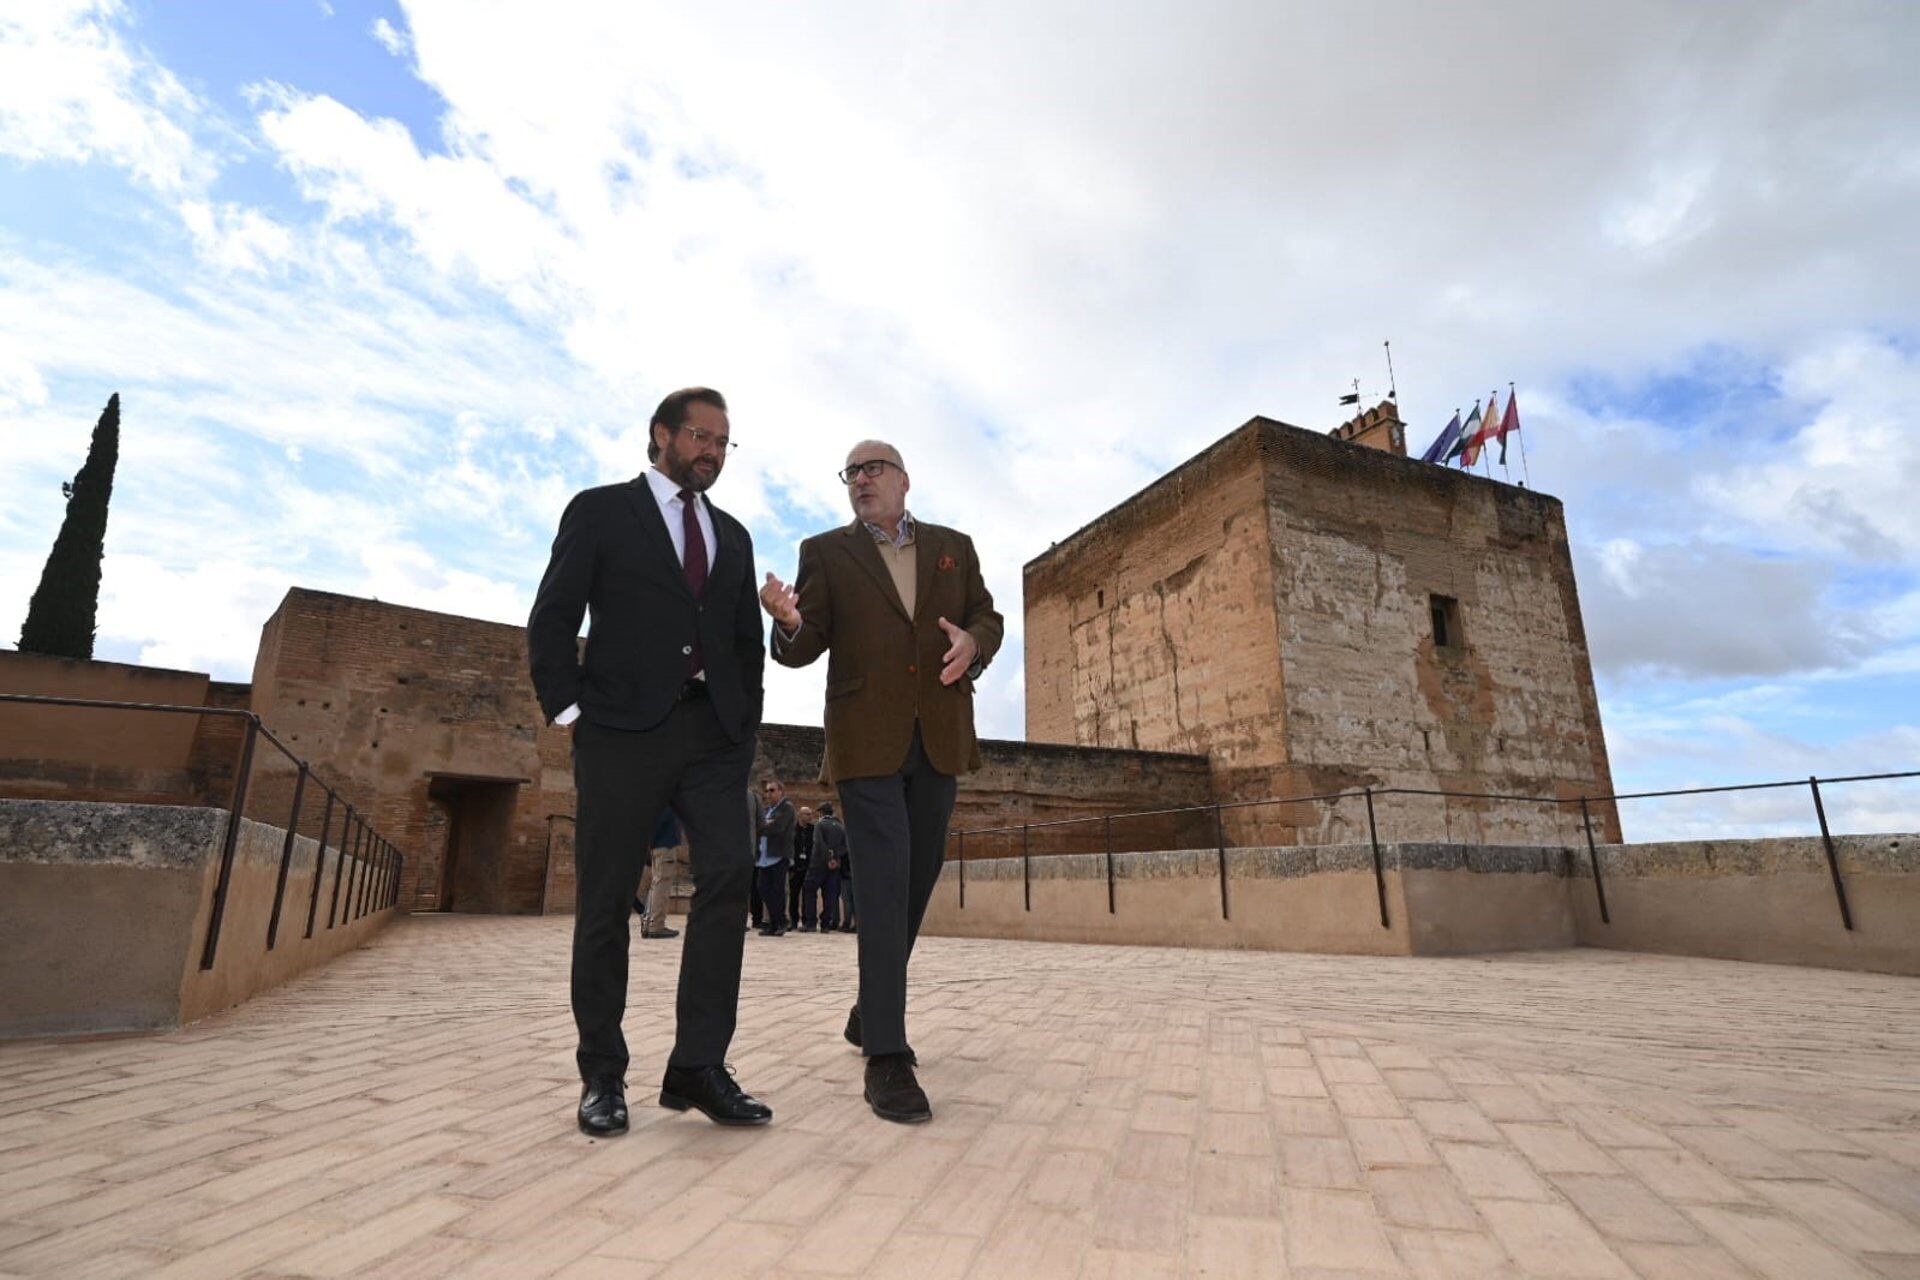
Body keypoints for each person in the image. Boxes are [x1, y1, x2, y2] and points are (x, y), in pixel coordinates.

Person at [528, 385, 773, 1137]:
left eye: (723, 442)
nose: (711, 451)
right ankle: (603, 1072)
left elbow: (741, 641)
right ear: (660, 435)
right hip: (622, 732)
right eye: (700, 435)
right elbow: (554, 614)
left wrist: (742, 724)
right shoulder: (600, 510)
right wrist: (571, 710)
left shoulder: (733, 535)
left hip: (712, 739)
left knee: (729, 880)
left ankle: (699, 1065)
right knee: (604, 899)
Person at [760, 439, 1002, 1123]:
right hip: (865, 741)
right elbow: (806, 645)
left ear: (903, 480)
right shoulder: (828, 552)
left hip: (940, 736)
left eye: (874, 468)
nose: (861, 479)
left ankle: (870, 1011)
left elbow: (989, 615)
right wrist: (787, 622)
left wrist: (974, 644)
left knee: (918, 878)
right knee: (884, 880)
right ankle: (887, 1059)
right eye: (852, 472)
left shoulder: (955, 546)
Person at [755, 777, 795, 936]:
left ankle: (780, 922)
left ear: (780, 791)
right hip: (765, 857)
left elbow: (777, 828)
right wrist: (766, 824)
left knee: (777, 891)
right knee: (763, 889)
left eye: (772, 790)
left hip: (779, 855)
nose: (768, 793)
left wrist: (763, 826)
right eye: (767, 790)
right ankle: (775, 921)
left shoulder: (787, 808)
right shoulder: (767, 810)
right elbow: (759, 827)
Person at [634, 809, 682, 939]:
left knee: (657, 882)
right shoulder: (665, 803)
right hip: (665, 845)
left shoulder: (654, 802)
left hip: (657, 845)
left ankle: (649, 923)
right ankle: (656, 925)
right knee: (662, 883)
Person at [804, 800, 846, 932]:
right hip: (835, 866)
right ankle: (825, 924)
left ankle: (811, 923)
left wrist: (828, 857)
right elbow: (845, 846)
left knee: (809, 891)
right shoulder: (840, 826)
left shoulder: (819, 825)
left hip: (818, 864)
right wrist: (834, 858)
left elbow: (819, 844)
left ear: (821, 812)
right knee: (830, 895)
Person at [790, 806, 815, 930]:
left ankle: (806, 921)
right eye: (807, 814)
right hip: (795, 867)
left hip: (808, 867)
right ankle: (793, 920)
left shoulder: (813, 829)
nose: (810, 816)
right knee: (794, 895)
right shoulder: (793, 829)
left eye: (811, 814)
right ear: (800, 815)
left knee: (807, 895)